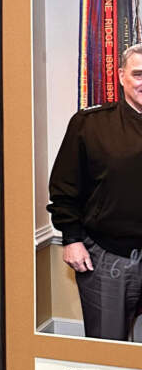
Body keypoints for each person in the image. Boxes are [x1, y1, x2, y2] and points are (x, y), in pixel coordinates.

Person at [48, 42, 142, 341]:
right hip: (107, 258)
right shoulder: (90, 124)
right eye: (139, 74)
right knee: (107, 351)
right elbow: (64, 187)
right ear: (121, 76)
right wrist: (71, 239)